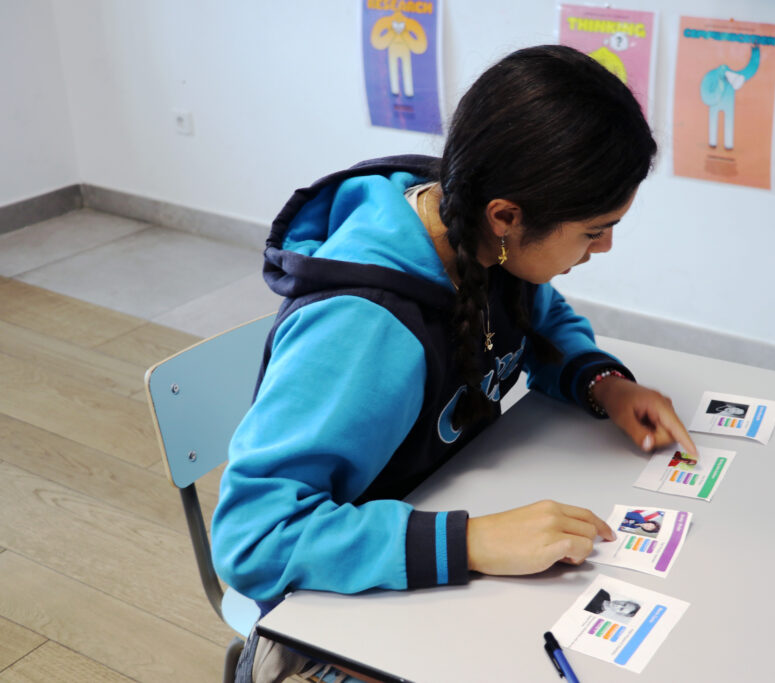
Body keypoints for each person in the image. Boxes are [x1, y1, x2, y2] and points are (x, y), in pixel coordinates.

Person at [211, 45, 697, 683]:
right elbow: (253, 536)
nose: (604, 247)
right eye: (594, 229)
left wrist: (603, 383)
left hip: (435, 542)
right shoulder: (363, 329)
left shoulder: (483, 237)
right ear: (506, 217)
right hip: (335, 615)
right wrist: (472, 542)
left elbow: (544, 320)